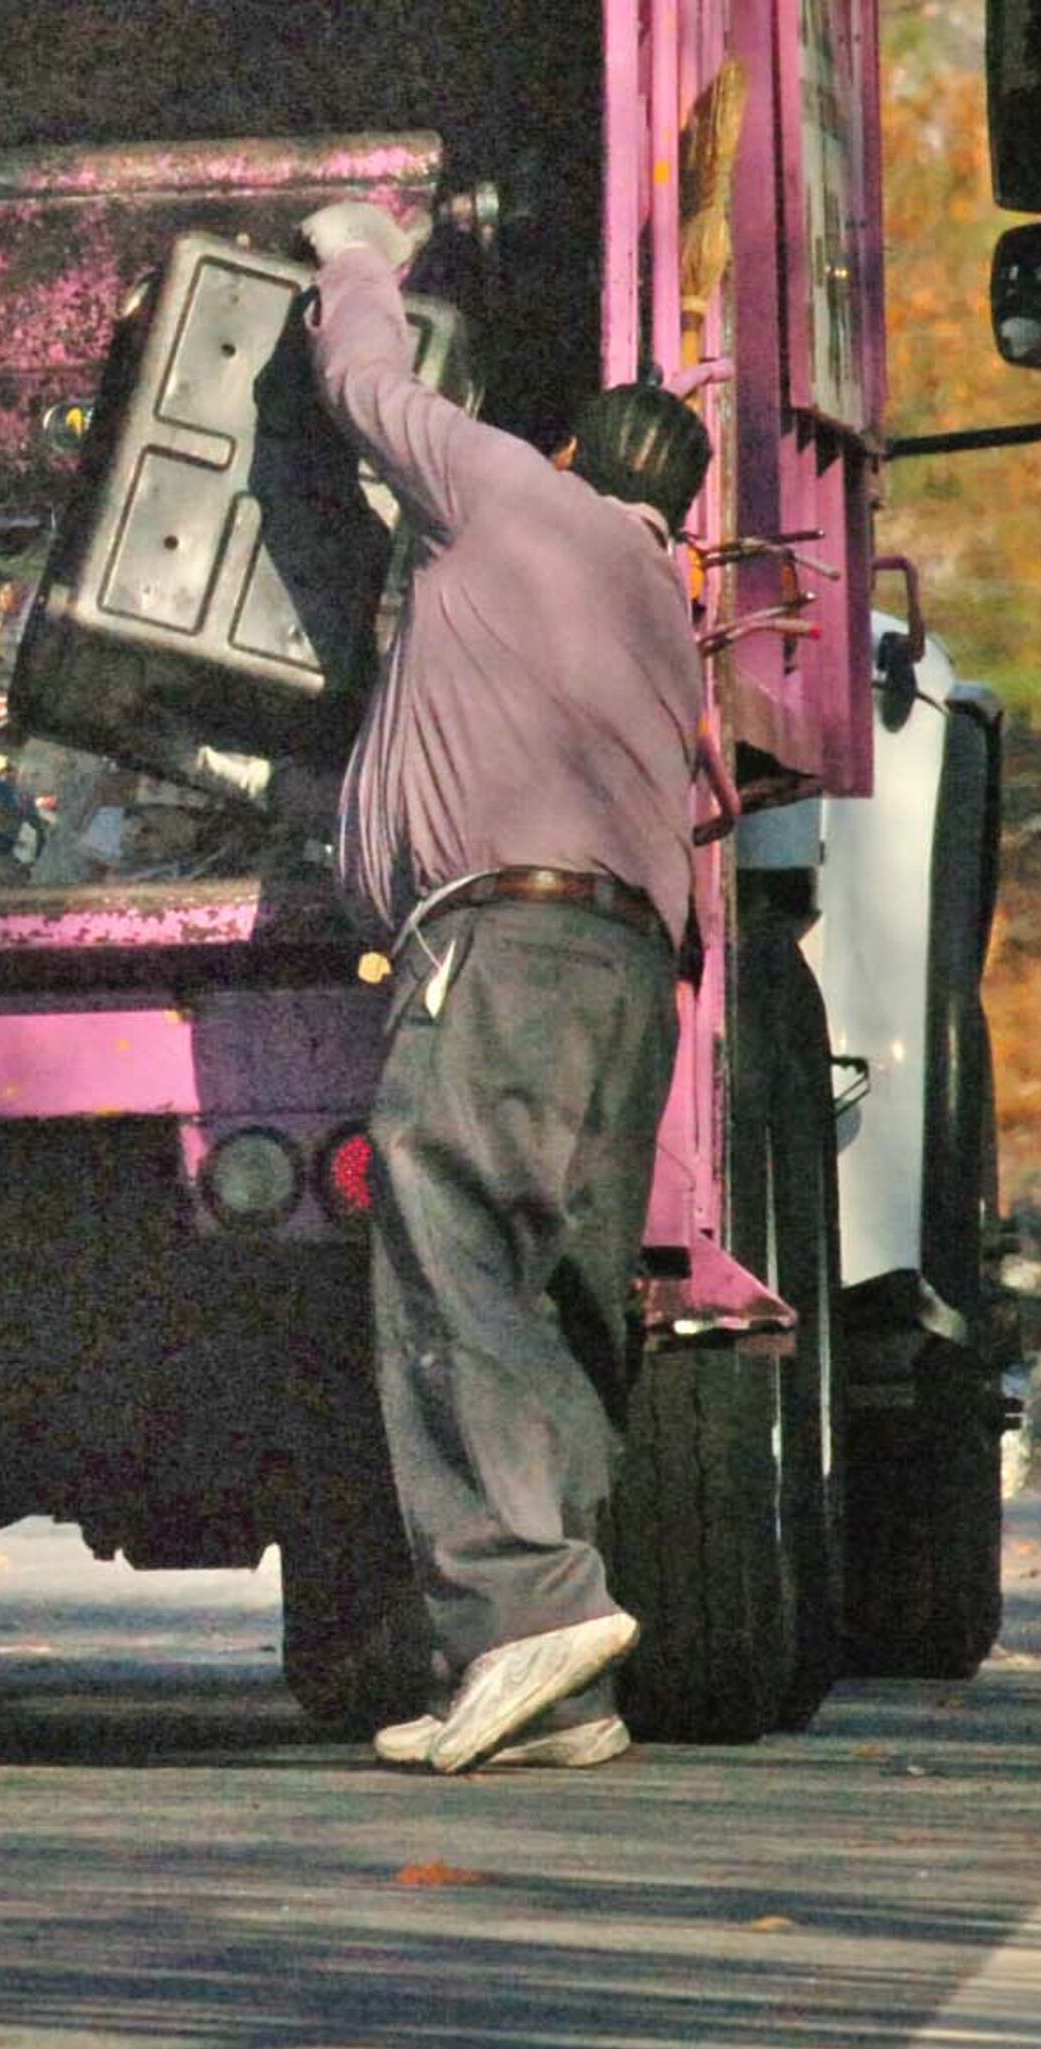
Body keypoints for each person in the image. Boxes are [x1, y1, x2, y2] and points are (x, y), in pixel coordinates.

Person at [298, 203, 716, 1775]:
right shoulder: (663, 601)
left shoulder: (510, 491)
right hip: (625, 972)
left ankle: (520, 1610)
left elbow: (367, 387)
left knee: (452, 1270)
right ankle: (563, 1687)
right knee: (559, 1301)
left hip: (503, 949)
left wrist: (356, 254)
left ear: (565, 449)